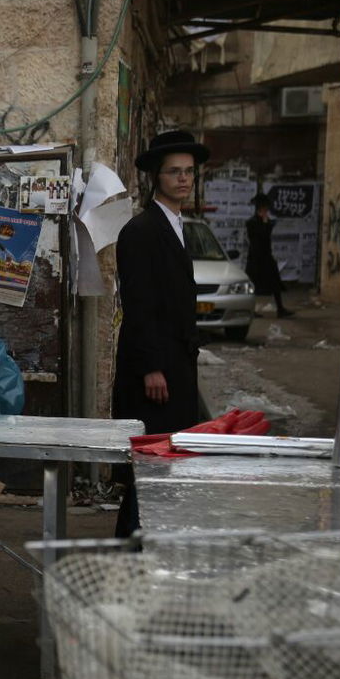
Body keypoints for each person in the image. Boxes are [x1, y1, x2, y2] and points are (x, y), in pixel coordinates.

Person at [113, 130, 209, 536]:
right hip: (155, 373)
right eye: (174, 172)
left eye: (189, 171)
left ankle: (140, 547)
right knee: (152, 463)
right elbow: (139, 304)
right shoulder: (142, 230)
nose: (184, 179)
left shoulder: (175, 224)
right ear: (156, 176)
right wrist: (152, 366)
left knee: (164, 464)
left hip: (176, 365)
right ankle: (132, 550)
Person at [245, 192, 293, 318]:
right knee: (252, 285)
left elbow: (267, 235)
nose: (266, 211)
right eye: (264, 209)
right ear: (260, 209)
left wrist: (266, 223)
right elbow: (259, 237)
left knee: (275, 283)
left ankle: (280, 309)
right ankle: (250, 310)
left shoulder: (267, 222)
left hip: (266, 257)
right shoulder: (251, 223)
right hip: (255, 258)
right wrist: (265, 223)